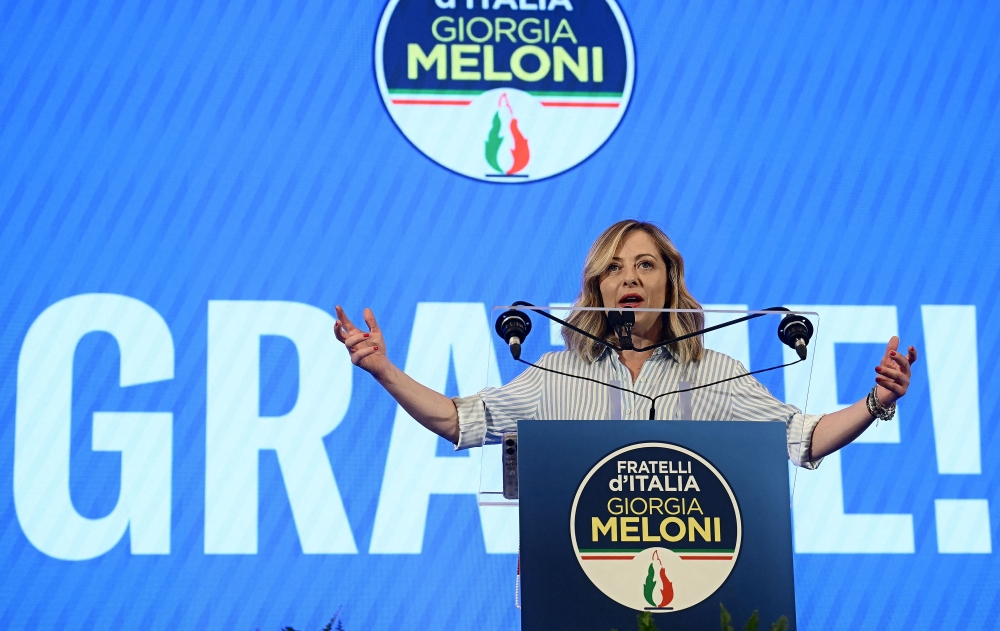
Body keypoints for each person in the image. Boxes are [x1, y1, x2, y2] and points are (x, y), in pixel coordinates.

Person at [335, 219, 917, 467]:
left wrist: (876, 402)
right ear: (597, 288)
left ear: (670, 281)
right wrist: (384, 369)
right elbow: (459, 420)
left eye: (645, 265)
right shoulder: (556, 372)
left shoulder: (719, 371)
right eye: (615, 269)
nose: (631, 278)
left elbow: (803, 438)